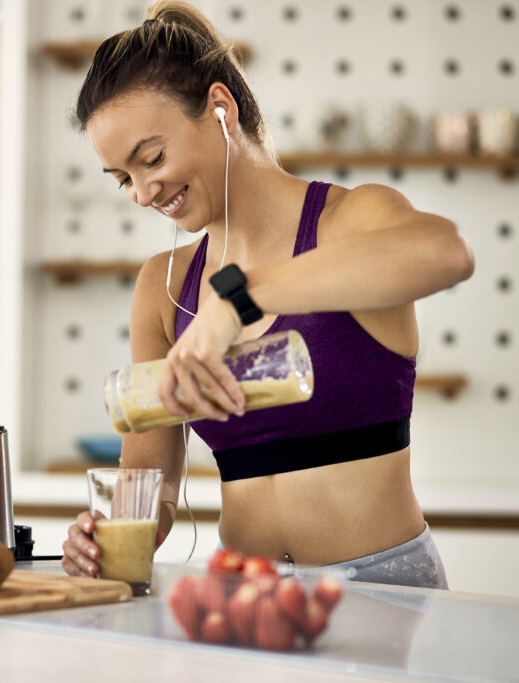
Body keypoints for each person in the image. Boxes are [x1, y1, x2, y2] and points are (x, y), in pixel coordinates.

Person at [61, 1, 474, 589]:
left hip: (384, 591)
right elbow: (151, 490)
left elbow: (445, 253)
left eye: (151, 158)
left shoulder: (348, 221)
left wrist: (238, 301)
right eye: (124, 178)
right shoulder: (166, 286)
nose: (142, 193)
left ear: (220, 108)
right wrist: (107, 535)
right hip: (243, 593)